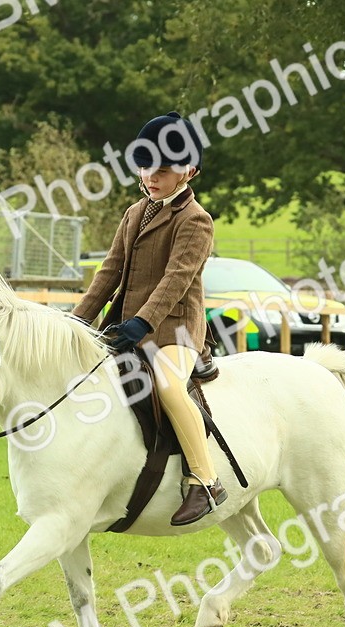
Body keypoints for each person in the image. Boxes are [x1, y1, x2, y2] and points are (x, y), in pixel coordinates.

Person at [73, 112, 221, 526]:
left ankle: (205, 480)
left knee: (169, 387)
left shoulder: (196, 220)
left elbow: (176, 279)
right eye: (145, 167)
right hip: (127, 327)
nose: (151, 177)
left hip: (176, 330)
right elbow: (109, 272)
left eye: (163, 170)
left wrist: (143, 321)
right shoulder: (135, 212)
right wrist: (76, 322)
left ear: (189, 172)